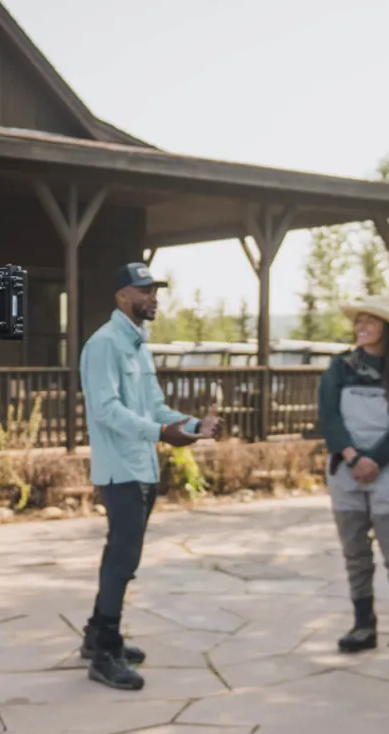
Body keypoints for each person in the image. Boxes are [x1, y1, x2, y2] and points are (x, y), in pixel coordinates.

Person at [79, 263, 221, 691]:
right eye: (145, 290)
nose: (154, 296)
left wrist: (193, 425)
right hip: (120, 470)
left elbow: (154, 407)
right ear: (122, 296)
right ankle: (105, 652)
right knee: (122, 560)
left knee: (123, 559)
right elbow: (106, 410)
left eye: (156, 289)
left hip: (143, 467)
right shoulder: (104, 345)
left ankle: (96, 635)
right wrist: (161, 433)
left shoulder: (140, 346)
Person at [318, 295, 389, 668]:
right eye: (359, 321)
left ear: (388, 328)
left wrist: (376, 459)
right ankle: (363, 626)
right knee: (355, 553)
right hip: (346, 470)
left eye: (371, 321)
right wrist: (353, 456)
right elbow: (329, 417)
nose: (361, 327)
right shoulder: (339, 368)